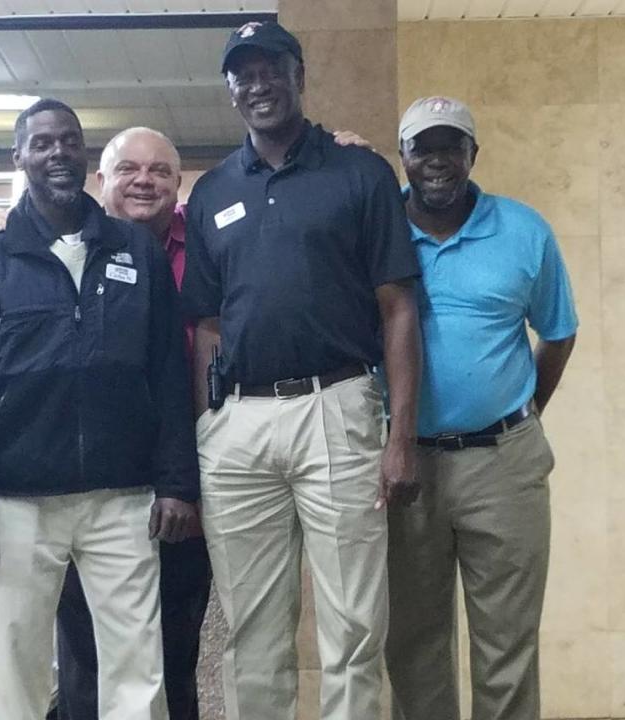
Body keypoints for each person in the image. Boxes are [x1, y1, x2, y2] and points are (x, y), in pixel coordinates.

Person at [181, 21, 422, 720]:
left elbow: (397, 308)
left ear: (298, 75)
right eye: (243, 73)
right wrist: (208, 429)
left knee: (353, 626)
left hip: (336, 408)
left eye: (271, 69)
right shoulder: (213, 191)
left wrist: (399, 437)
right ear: (230, 89)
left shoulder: (360, 172)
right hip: (239, 428)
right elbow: (207, 325)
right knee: (252, 631)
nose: (258, 84)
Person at [0, 99, 199, 720]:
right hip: (16, 502)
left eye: (70, 141)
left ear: (85, 157)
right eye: (43, 142)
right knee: (19, 663)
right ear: (20, 157)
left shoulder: (134, 250)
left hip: (123, 497)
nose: (58, 152)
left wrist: (175, 483)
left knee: (137, 664)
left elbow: (167, 373)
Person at [385, 96, 578, 720]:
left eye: (451, 146)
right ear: (404, 156)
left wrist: (519, 413)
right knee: (414, 644)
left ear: (473, 154)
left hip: (505, 464)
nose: (437, 161)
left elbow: (558, 332)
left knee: (506, 646)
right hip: (407, 466)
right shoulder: (378, 228)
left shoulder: (524, 230)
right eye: (423, 148)